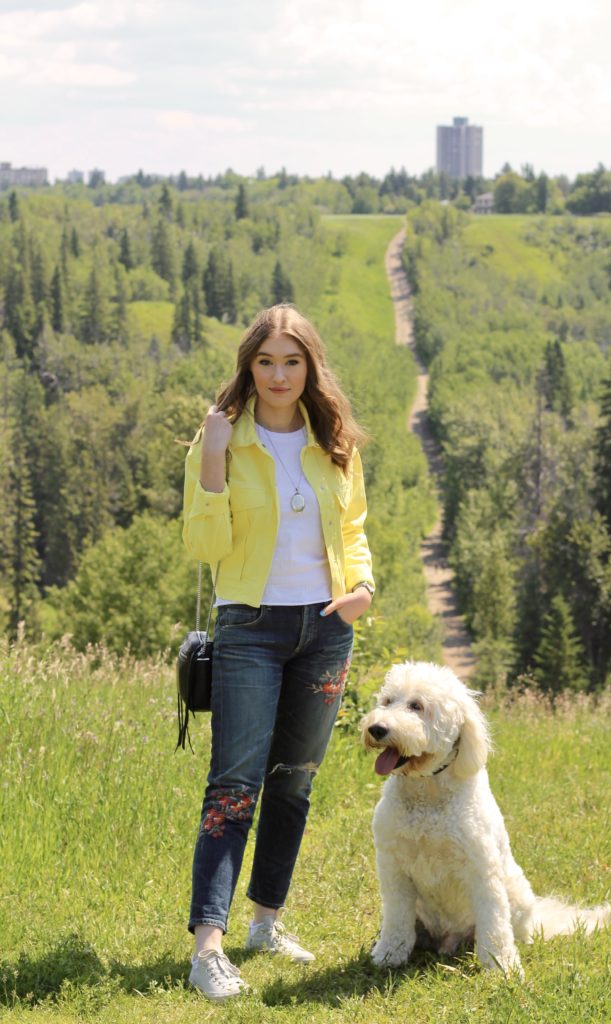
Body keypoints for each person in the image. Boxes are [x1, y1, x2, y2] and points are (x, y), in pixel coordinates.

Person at [182, 304, 375, 1001]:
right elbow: (204, 548)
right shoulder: (223, 440)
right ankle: (208, 949)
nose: (277, 375)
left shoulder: (336, 444)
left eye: (291, 361)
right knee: (233, 788)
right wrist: (209, 457)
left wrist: (363, 588)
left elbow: (352, 531)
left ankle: (266, 922)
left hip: (326, 629)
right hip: (250, 628)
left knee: (294, 780)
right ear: (248, 366)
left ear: (310, 367)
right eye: (265, 361)